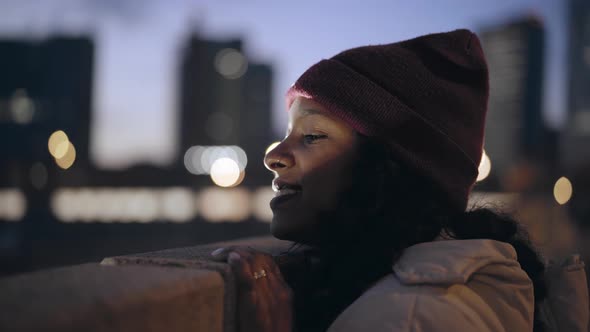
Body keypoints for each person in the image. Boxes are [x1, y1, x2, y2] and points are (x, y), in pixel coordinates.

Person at [211, 29, 547, 332]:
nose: (274, 156)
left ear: (388, 167)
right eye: (287, 133)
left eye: (312, 135)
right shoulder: (440, 288)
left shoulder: (403, 318)